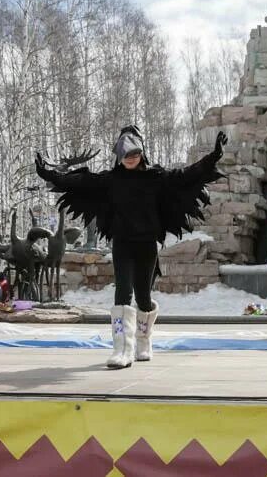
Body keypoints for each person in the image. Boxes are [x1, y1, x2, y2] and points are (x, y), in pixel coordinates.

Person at [36, 125, 226, 369]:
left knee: (144, 298)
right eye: (126, 155)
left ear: (142, 153)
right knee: (122, 293)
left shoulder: (157, 178)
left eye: (134, 154)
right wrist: (48, 174)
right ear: (119, 156)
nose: (131, 158)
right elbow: (78, 182)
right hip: (123, 244)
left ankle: (143, 341)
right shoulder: (110, 180)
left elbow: (188, 175)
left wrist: (214, 156)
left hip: (146, 245)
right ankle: (122, 349)